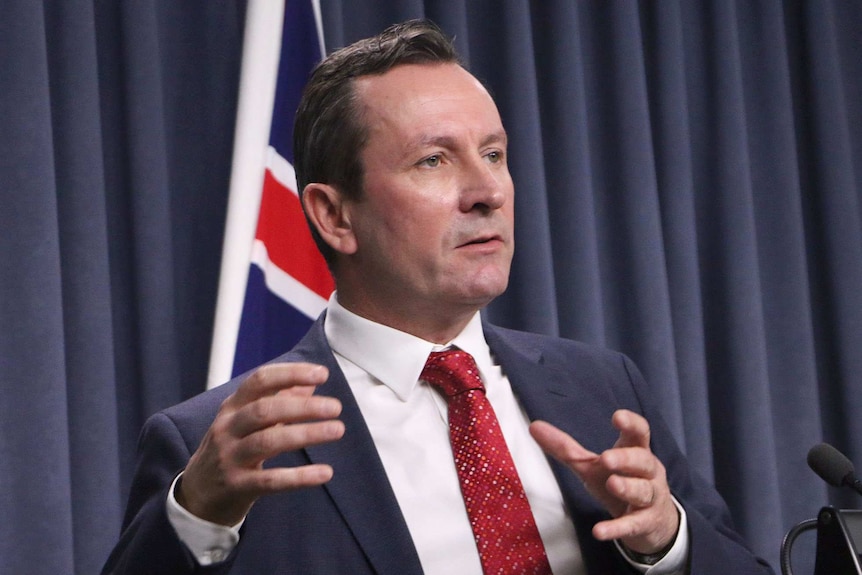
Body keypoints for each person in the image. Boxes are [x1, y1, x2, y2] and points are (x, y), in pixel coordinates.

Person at [102, 19, 773, 575]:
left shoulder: (602, 386)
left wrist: (665, 541)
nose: (489, 191)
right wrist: (196, 513)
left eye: (494, 154)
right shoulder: (221, 445)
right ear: (335, 216)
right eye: (434, 160)